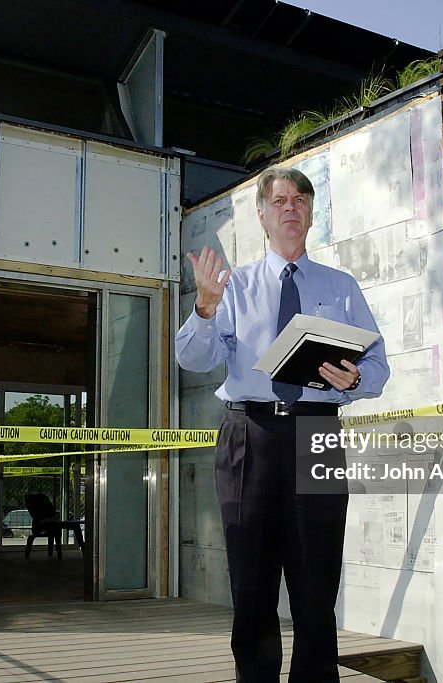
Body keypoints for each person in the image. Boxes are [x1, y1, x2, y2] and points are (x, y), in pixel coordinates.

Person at [176, 166, 390, 682]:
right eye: (279, 200)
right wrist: (204, 309)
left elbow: (378, 367)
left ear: (311, 213)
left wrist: (355, 377)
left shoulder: (341, 288)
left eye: (300, 199)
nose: (290, 207)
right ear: (262, 215)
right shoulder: (234, 286)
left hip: (317, 435)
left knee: (317, 583)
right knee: (252, 583)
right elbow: (192, 358)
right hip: (250, 435)